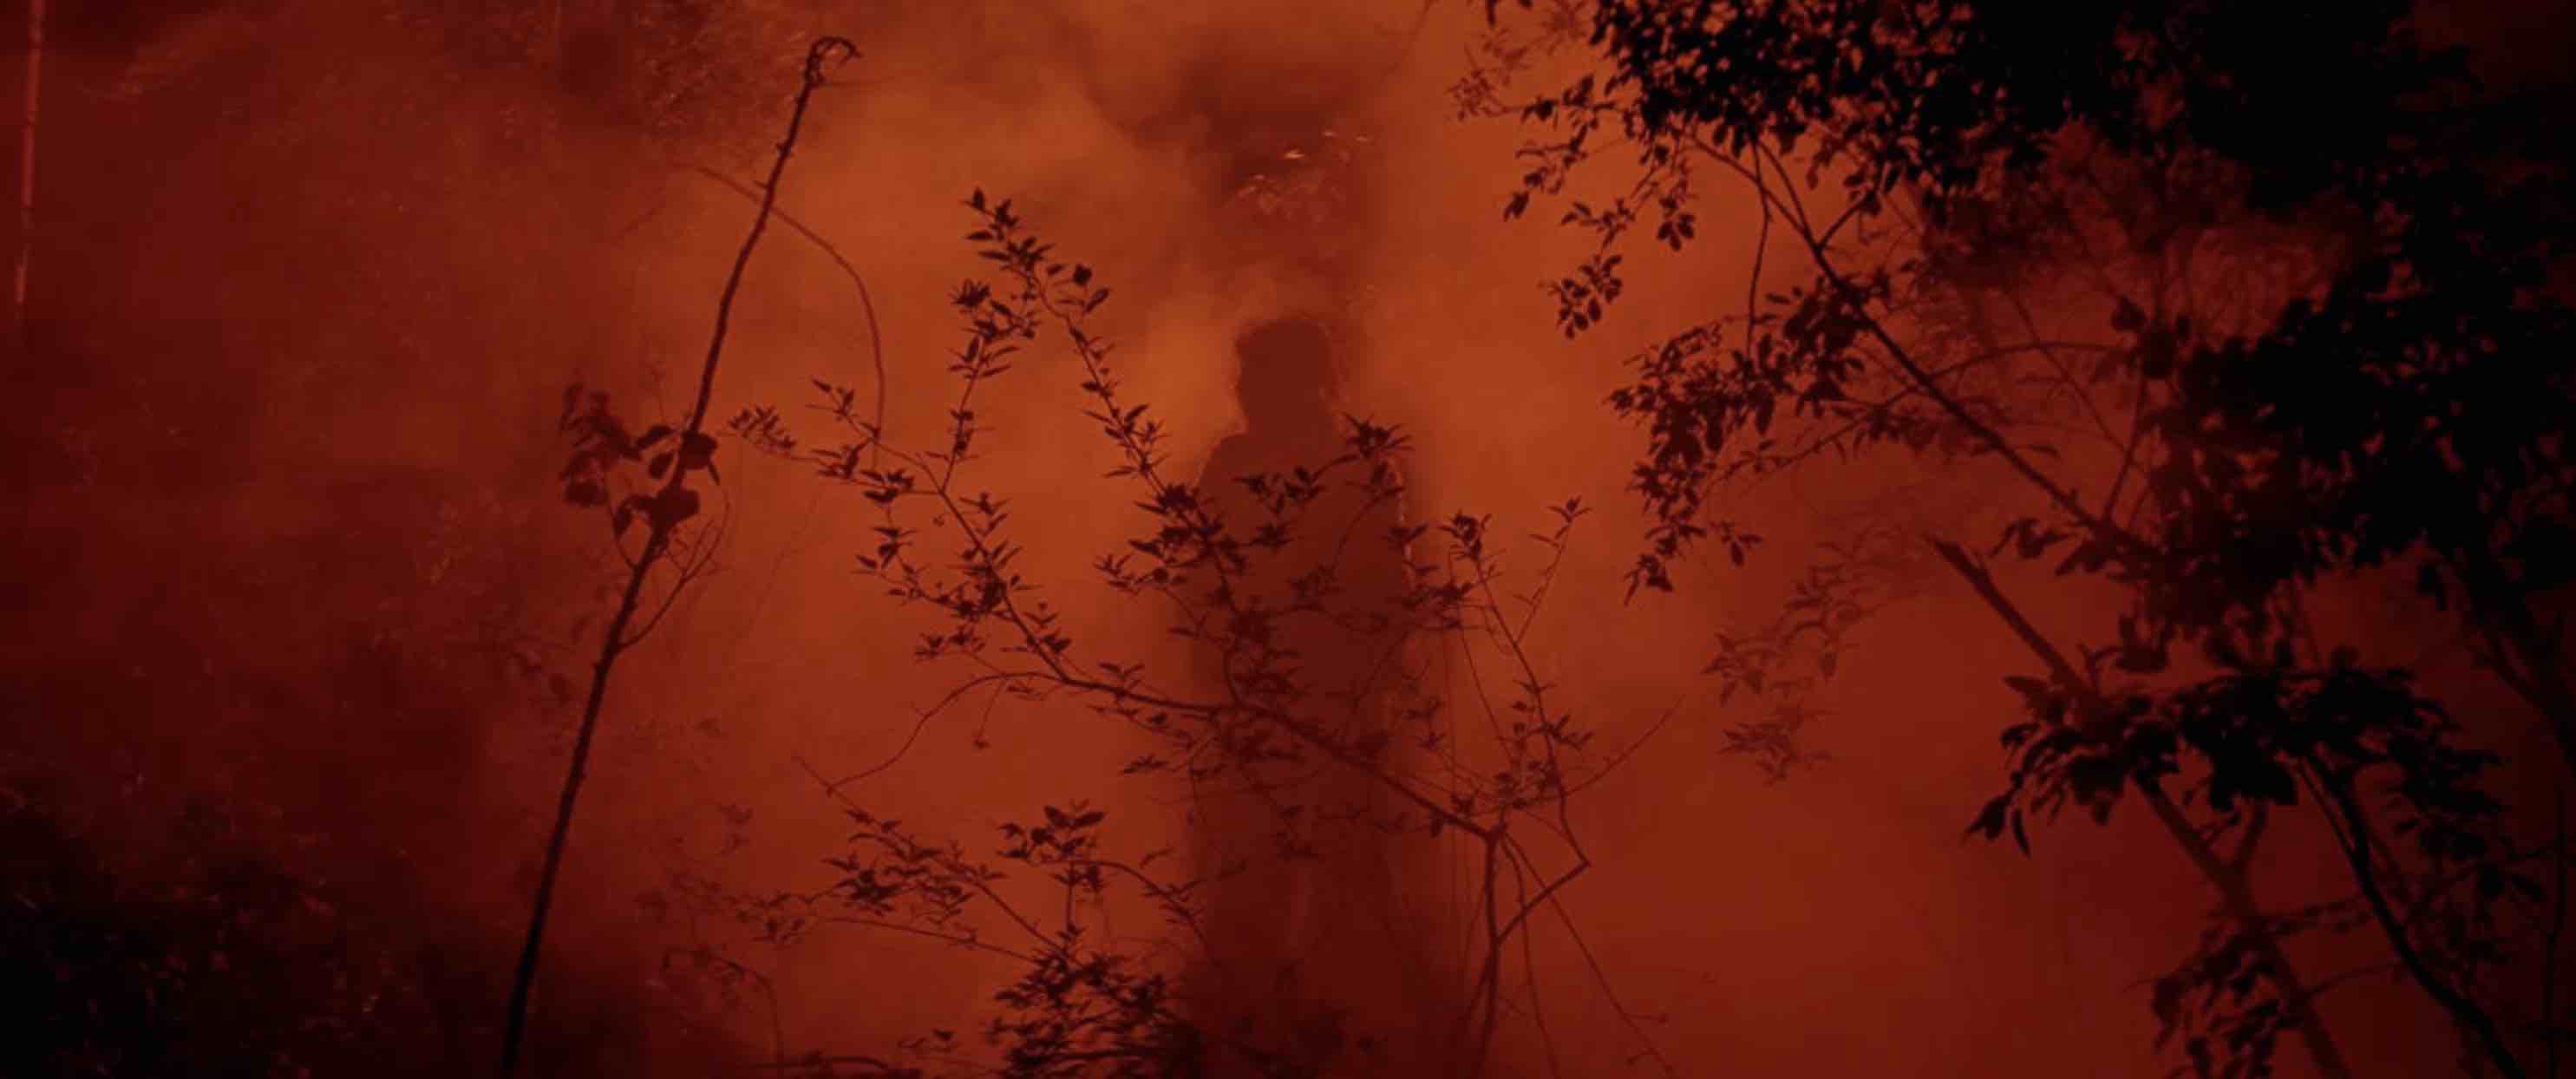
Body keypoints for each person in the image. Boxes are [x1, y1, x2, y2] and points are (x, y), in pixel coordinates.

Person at [1186, 316, 1445, 1074]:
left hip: (1330, 709)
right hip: (1264, 710)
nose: (1241, 388)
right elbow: (1198, 586)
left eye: (1256, 373)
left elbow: (1386, 595)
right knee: (1253, 886)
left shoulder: (1354, 466)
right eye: (1244, 373)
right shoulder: (1237, 464)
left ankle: (1378, 1043)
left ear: (1299, 383)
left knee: (1348, 885)